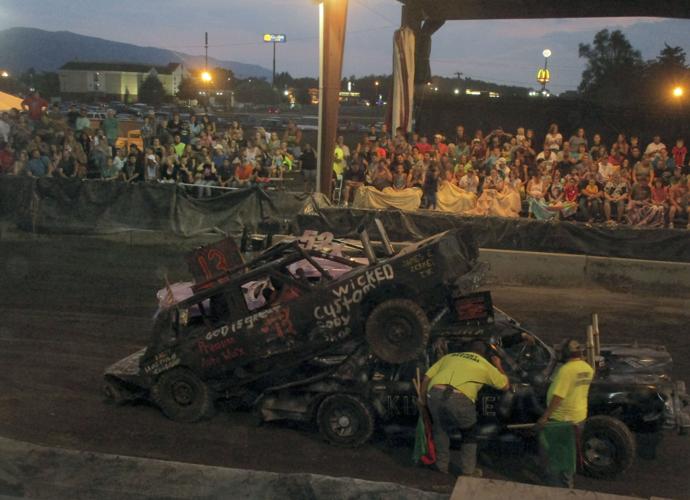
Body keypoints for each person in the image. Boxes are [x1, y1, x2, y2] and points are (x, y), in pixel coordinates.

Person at [418, 341, 509, 476]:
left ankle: (441, 466)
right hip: (459, 397)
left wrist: (422, 400)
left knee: (440, 429)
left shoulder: (450, 356)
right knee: (469, 433)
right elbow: (505, 385)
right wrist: (498, 365)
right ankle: (468, 471)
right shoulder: (484, 364)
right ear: (483, 354)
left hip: (435, 393)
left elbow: (426, 378)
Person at [536, 339, 594, 489]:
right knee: (568, 454)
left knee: (553, 456)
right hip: (578, 417)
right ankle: (567, 485)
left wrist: (545, 416)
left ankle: (555, 489)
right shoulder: (587, 368)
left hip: (561, 420)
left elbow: (558, 396)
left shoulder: (566, 370)